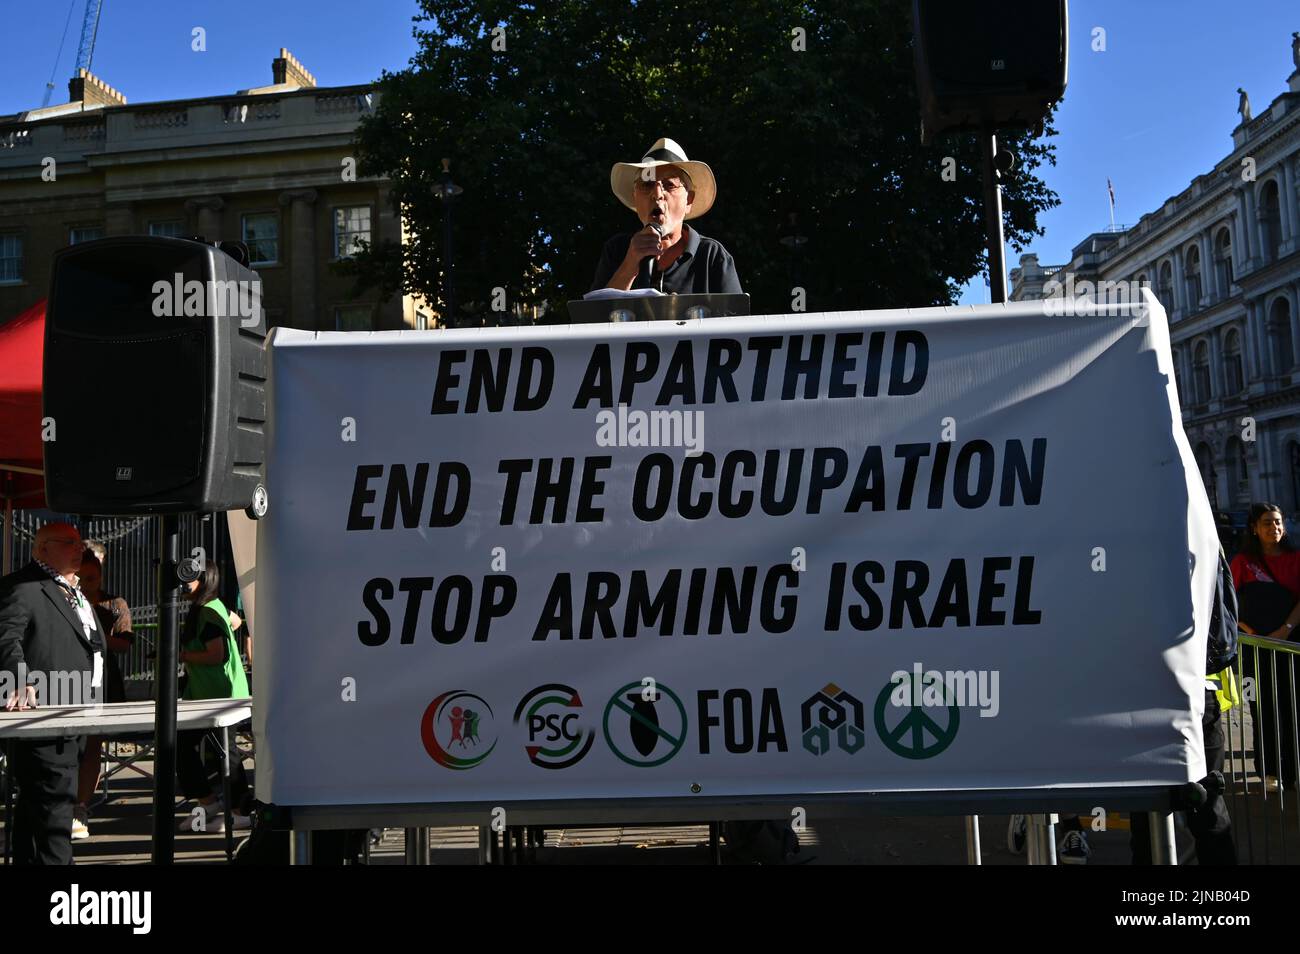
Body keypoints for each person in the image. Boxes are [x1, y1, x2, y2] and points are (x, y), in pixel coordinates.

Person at [0, 522, 103, 864]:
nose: (80, 549)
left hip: (76, 713)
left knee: (37, 809)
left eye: (80, 544)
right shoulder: (25, 586)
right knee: (55, 810)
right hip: (45, 716)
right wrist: (19, 678)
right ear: (42, 548)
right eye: (69, 543)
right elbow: (6, 638)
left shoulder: (71, 588)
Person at [590, 137, 742, 295]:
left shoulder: (711, 255)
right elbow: (595, 316)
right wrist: (629, 265)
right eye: (647, 184)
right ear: (635, 197)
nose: (657, 194)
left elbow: (735, 318)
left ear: (689, 200)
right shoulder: (617, 250)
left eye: (669, 185)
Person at [1229, 502, 1300, 787]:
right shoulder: (1242, 562)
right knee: (1262, 707)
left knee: (1292, 705)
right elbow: (1227, 603)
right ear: (1255, 529)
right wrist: (1251, 632)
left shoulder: (1295, 559)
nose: (1275, 528)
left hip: (1290, 646)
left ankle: (1294, 770)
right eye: (1268, 523)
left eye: (1278, 522)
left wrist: (1285, 630)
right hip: (1254, 650)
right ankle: (1270, 769)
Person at [176, 562, 251, 833]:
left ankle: (239, 810)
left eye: (190, 578)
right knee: (190, 748)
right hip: (211, 694)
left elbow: (216, 654)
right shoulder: (214, 606)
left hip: (219, 695)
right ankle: (211, 803)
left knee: (224, 753)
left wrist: (182, 656)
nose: (183, 583)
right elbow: (237, 620)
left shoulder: (207, 611)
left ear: (203, 580)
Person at [71, 549, 135, 840]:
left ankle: (80, 806)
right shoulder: (67, 600)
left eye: (92, 578)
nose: (86, 583)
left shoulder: (115, 603)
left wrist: (93, 634)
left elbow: (125, 643)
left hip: (103, 681)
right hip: (70, 679)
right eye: (81, 578)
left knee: (93, 743)